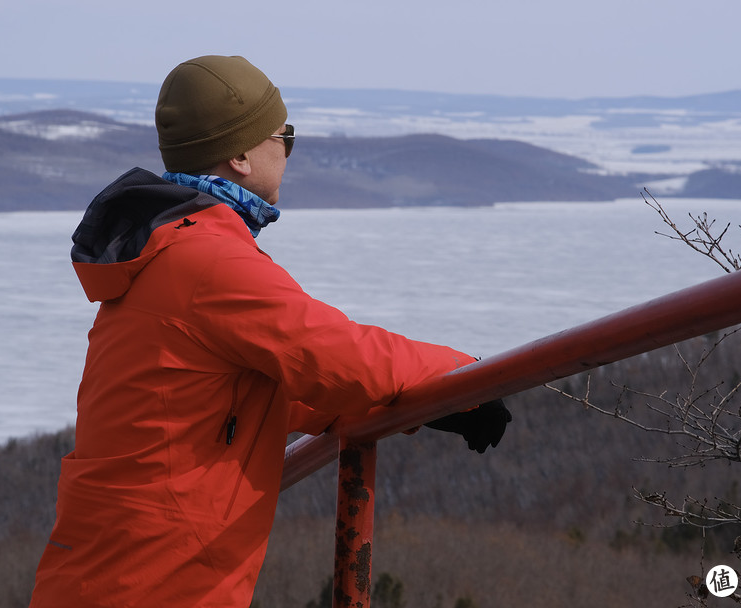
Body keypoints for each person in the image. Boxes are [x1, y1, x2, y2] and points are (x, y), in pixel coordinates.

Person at [29, 55, 511, 607]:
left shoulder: (168, 251)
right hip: (151, 585)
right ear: (239, 154)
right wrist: (469, 378)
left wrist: (430, 407)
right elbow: (335, 355)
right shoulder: (207, 261)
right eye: (285, 136)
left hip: (115, 574)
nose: (287, 150)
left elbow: (254, 391)